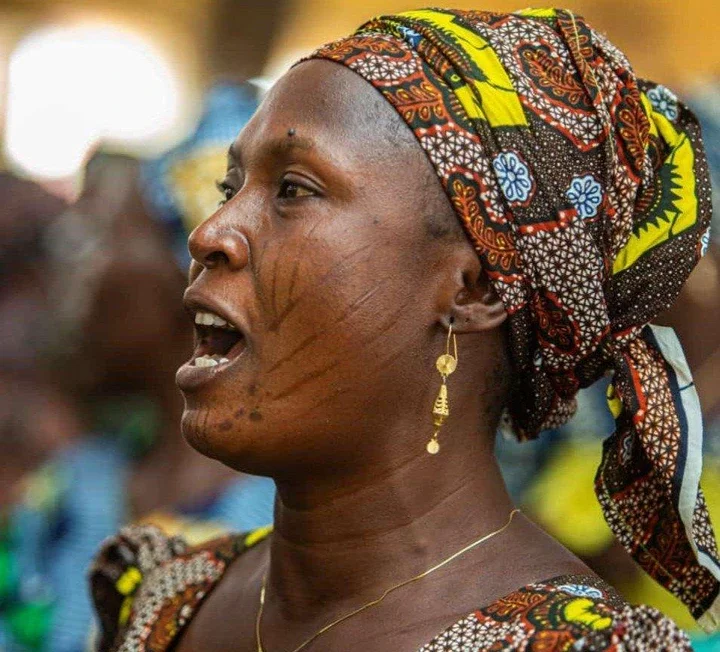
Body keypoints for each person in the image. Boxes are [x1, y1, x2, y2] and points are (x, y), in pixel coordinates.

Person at [90, 8, 719, 651]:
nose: (209, 233)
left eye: (293, 190)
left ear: (470, 289)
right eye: (229, 186)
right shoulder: (169, 599)